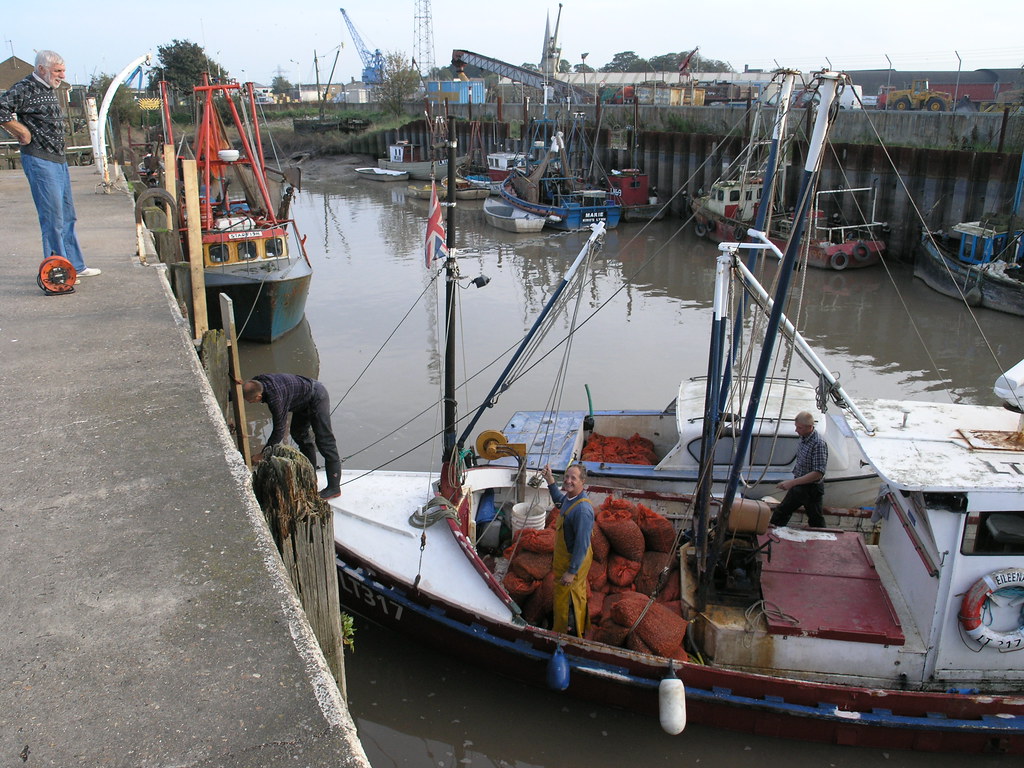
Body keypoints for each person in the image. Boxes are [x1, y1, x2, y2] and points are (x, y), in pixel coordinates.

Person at [0, 50, 100, 278]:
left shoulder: (48, 88)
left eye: (63, 70)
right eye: (58, 71)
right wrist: (21, 131)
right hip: (40, 160)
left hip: (58, 160)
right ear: (41, 69)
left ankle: (75, 265)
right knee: (52, 218)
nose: (62, 76)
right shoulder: (25, 87)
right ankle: (58, 271)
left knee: (67, 215)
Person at [243, 374, 341, 499]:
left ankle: (334, 488)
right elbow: (242, 391)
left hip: (316, 396)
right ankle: (310, 476)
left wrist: (262, 454)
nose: (251, 403)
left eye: (251, 401)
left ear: (259, 396)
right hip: (301, 401)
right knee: (300, 435)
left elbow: (279, 430)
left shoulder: (275, 399)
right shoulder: (258, 381)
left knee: (325, 441)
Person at [542, 463, 595, 638]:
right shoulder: (569, 499)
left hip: (573, 562)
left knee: (569, 599)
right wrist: (550, 480)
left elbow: (582, 544)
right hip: (565, 560)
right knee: (562, 597)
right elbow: (559, 501)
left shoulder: (582, 511)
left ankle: (569, 636)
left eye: (574, 478)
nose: (568, 481)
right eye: (567, 476)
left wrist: (571, 572)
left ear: (583, 482)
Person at [769, 411, 828, 528]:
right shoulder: (803, 437)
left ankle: (822, 539)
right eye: (796, 427)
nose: (796, 430)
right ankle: (773, 533)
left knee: (815, 519)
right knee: (781, 511)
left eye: (799, 428)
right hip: (799, 486)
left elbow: (818, 473)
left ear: (810, 427)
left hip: (812, 489)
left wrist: (791, 483)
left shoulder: (818, 444)